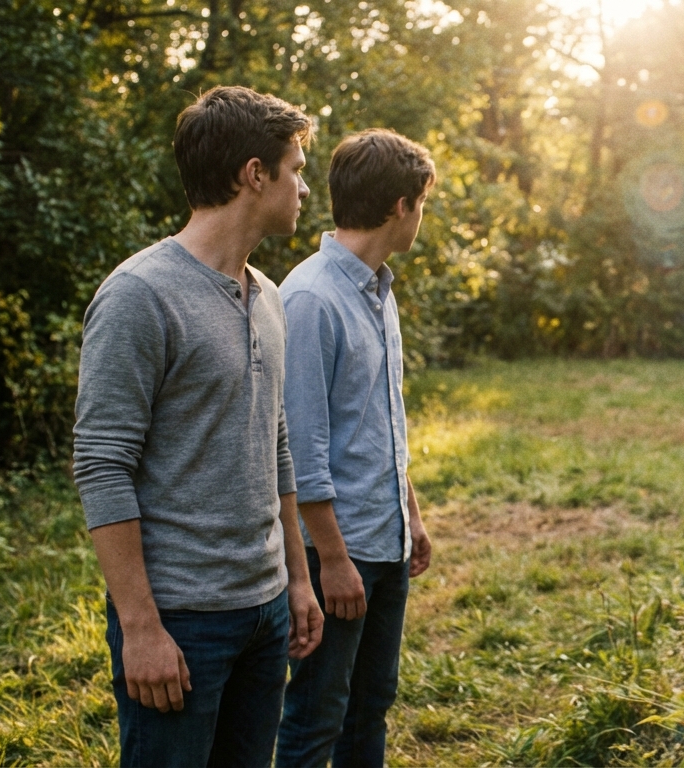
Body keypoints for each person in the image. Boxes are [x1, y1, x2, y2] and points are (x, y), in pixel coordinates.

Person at [72, 85, 325, 767]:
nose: (303, 186)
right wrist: (141, 629)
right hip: (180, 621)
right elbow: (101, 464)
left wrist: (297, 581)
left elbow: (277, 446)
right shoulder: (139, 296)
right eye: (295, 168)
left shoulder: (269, 296)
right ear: (254, 174)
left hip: (266, 610)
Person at [275, 128, 435, 767]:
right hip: (336, 553)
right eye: (422, 203)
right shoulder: (312, 298)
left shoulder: (379, 289)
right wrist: (335, 561)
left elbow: (380, 421)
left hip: (385, 540)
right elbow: (300, 448)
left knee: (372, 703)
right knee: (318, 716)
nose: (422, 216)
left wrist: (412, 517)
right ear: (400, 205)